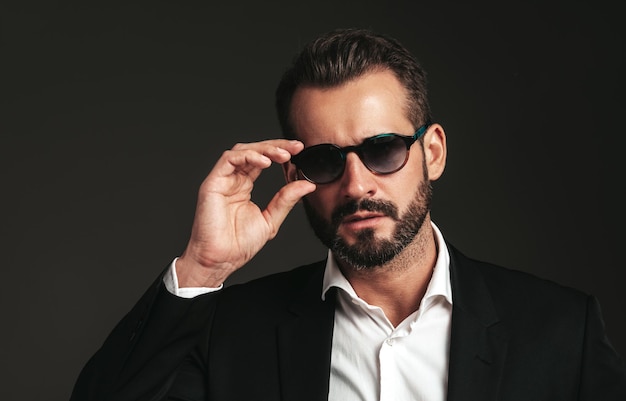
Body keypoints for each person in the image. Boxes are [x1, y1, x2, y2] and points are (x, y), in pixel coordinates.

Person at [70, 28, 626, 401]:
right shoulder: (230, 332)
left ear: (432, 151)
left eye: (383, 149)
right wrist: (200, 269)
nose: (357, 185)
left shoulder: (559, 331)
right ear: (296, 175)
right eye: (326, 160)